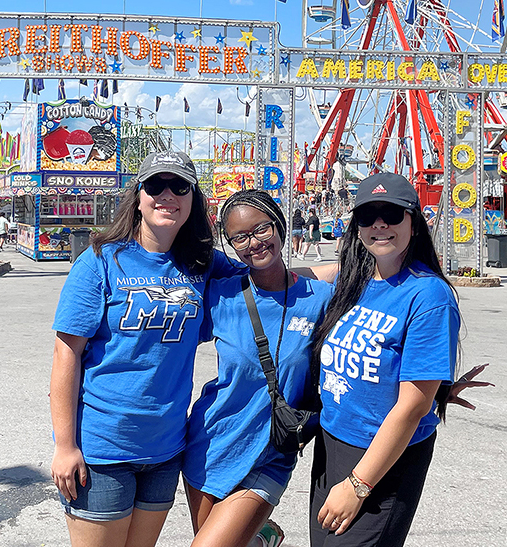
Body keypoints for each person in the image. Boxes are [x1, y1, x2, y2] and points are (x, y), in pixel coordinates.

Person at [49, 150, 240, 547]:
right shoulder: (101, 261)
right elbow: (65, 353)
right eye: (155, 185)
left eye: (179, 186)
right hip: (102, 450)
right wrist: (65, 446)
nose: (166, 195)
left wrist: (357, 269)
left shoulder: (202, 265)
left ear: (193, 198)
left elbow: (269, 277)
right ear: (138, 196)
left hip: (165, 450)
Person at [309, 173, 461, 545]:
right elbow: (283, 280)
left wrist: (358, 486)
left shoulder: (429, 296)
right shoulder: (351, 280)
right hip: (332, 446)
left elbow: (411, 407)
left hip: (384, 460)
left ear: (414, 221)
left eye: (392, 214)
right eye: (367, 215)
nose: (379, 224)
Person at [184, 190, 334, 547]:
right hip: (210, 445)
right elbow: (163, 345)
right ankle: (263, 536)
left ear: (279, 226)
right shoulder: (219, 296)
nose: (253, 242)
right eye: (240, 237)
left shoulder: (320, 300)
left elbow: (365, 348)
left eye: (261, 229)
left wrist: (434, 386)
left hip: (271, 452)